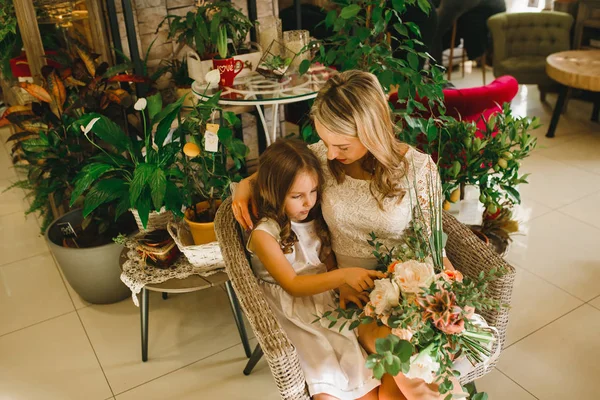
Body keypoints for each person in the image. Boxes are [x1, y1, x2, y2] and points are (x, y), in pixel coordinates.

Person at [234, 70, 462, 399]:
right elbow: (278, 174)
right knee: (393, 358)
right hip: (347, 293)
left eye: (340, 144)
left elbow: (432, 244)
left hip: (405, 291)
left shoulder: (419, 170)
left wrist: (425, 295)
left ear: (371, 131)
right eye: (325, 142)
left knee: (405, 368)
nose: (329, 153)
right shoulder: (324, 160)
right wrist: (244, 185)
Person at [245, 138, 383, 400]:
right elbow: (293, 285)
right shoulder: (265, 234)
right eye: (297, 196)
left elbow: (325, 261)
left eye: (313, 192)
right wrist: (343, 276)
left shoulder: (313, 218)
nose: (308, 203)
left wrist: (342, 285)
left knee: (359, 368)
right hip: (292, 308)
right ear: (271, 191)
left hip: (323, 295)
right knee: (324, 371)